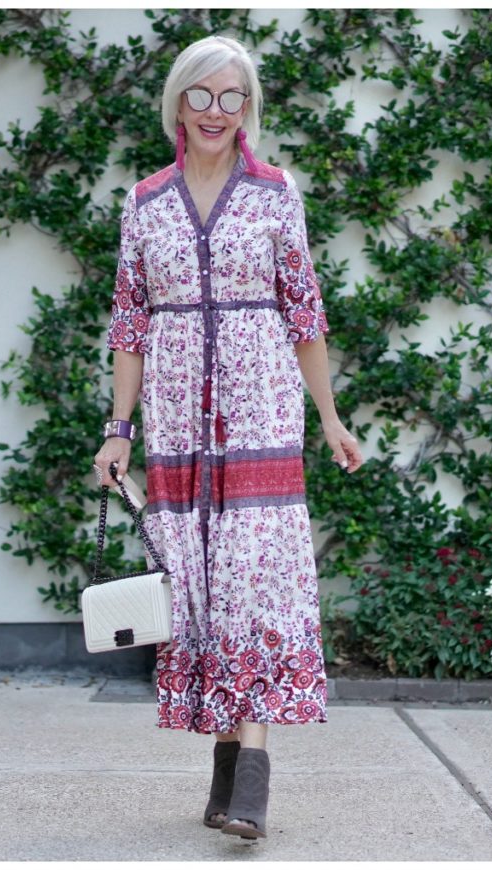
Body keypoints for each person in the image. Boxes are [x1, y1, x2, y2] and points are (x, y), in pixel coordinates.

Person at [93, 34, 362, 840]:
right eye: (201, 96)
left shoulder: (277, 196)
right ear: (178, 103)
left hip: (262, 411)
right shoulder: (144, 203)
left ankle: (252, 773)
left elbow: (305, 314)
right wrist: (119, 432)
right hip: (177, 424)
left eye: (231, 97)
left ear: (249, 109)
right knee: (203, 591)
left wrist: (330, 414)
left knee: (254, 584)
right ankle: (224, 773)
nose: (215, 111)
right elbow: (130, 325)